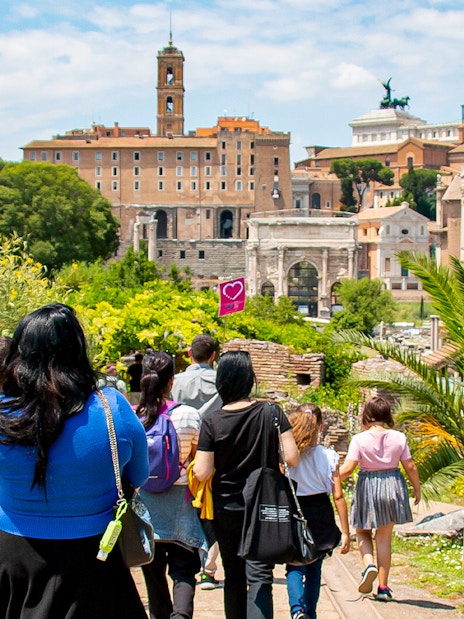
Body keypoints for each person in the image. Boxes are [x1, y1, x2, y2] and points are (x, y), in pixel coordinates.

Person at [0, 303, 149, 618]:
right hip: (94, 561)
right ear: (78, 350)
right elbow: (140, 474)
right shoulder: (112, 409)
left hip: (11, 557)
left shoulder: (3, 413)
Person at [194, 350, 299, 619]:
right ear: (249, 379)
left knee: (234, 576)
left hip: (226, 507)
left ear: (221, 381)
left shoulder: (211, 421)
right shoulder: (271, 412)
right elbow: (292, 458)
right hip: (264, 505)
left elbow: (203, 472)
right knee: (261, 575)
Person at [137, 350, 207, 619]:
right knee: (183, 570)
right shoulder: (189, 415)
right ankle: (181, 616)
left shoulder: (133, 415)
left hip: (146, 502)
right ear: (171, 380)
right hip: (181, 500)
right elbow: (199, 458)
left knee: (152, 573)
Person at [340, 396, 421, 602]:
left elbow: (349, 468)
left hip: (368, 485)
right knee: (384, 538)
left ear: (367, 415)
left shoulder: (359, 439)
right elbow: (410, 465)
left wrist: (330, 478)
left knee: (362, 531)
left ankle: (369, 565)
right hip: (393, 483)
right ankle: (383, 588)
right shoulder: (399, 437)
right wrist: (417, 489)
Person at [286, 404, 350, 619]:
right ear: (321, 427)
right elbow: (338, 496)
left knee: (294, 566)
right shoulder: (329, 456)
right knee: (314, 568)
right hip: (321, 512)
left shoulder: (287, 455)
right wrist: (346, 532)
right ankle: (310, 613)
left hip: (294, 511)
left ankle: (296, 610)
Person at [171, 333, 222, 590]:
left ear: (189, 354)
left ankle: (184, 562)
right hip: (214, 451)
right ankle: (209, 569)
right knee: (209, 509)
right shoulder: (221, 381)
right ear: (213, 356)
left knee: (187, 505)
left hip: (182, 453)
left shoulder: (176, 381)